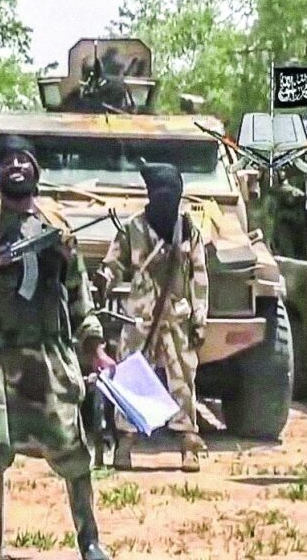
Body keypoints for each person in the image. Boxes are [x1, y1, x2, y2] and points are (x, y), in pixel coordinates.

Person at [0, 135, 112, 560]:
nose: (16, 166)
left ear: (36, 170)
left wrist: (94, 348)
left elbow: (79, 296)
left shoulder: (56, 226)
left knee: (72, 452)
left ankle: (89, 539)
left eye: (24, 160)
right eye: (7, 162)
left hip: (48, 357)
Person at [100, 162, 209, 472]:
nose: (165, 197)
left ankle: (188, 445)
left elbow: (199, 278)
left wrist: (200, 319)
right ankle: (125, 443)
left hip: (177, 317)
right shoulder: (133, 228)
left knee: (183, 383)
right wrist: (105, 276)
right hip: (139, 318)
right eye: (159, 191)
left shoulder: (188, 229)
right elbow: (114, 262)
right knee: (130, 378)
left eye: (171, 191)